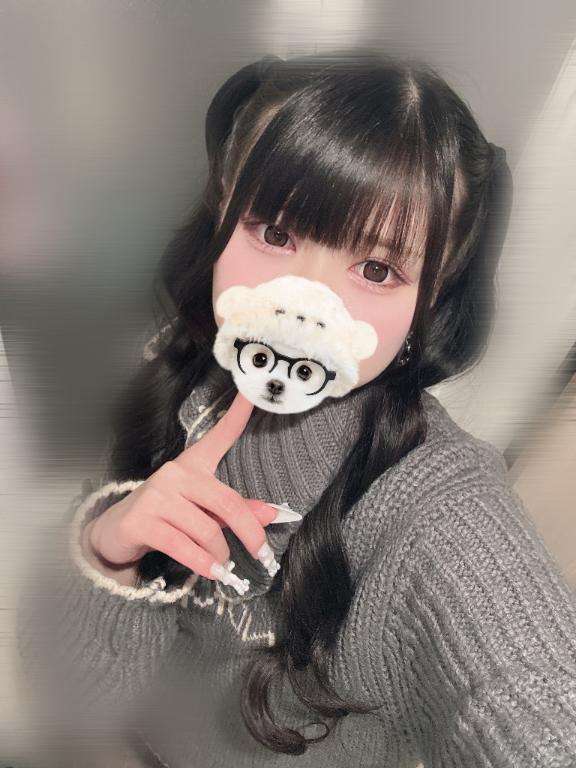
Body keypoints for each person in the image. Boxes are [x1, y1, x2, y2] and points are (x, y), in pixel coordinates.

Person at [16, 47, 576, 768]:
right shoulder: (184, 369)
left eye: (376, 269)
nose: (301, 304)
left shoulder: (435, 510)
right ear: (224, 210)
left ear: (429, 301)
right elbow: (74, 692)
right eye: (274, 232)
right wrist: (107, 551)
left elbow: (531, 698)